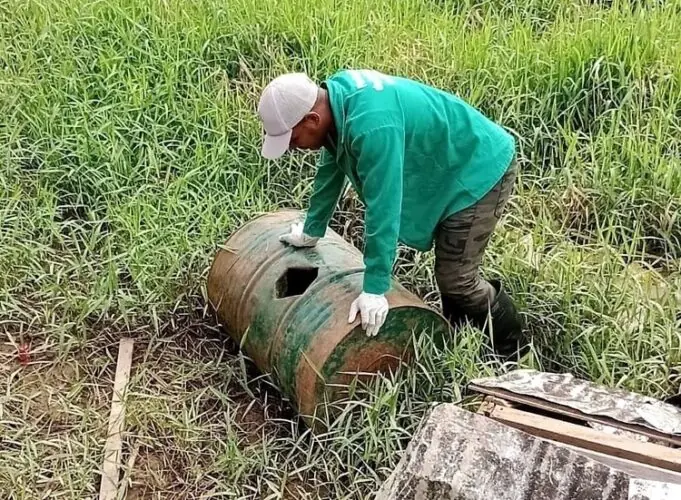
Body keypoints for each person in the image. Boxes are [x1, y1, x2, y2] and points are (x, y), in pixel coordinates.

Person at [256, 69, 525, 358]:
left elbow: (384, 207)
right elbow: (330, 169)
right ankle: (458, 343)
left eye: (293, 139)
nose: (293, 148)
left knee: (457, 279)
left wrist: (374, 288)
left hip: (479, 170)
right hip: (451, 164)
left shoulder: (372, 126)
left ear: (312, 120)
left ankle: (514, 351)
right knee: (450, 273)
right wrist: (312, 229)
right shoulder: (337, 100)